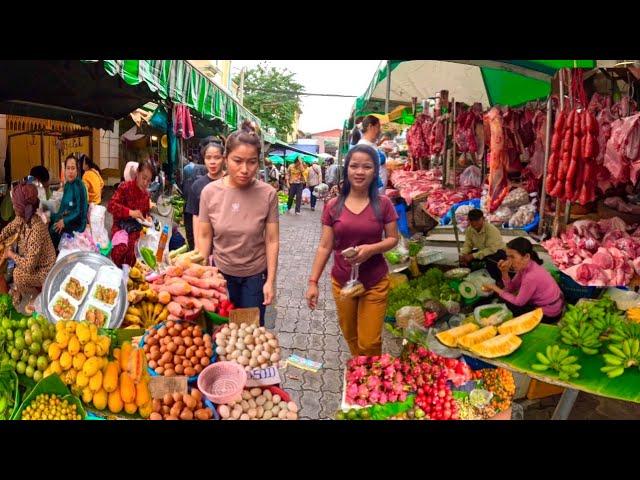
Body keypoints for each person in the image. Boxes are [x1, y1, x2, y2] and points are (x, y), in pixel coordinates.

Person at [305, 145, 399, 356]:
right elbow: (324, 246)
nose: (359, 171)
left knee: (369, 341)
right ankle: (362, 376)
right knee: (351, 335)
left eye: (366, 167)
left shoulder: (383, 204)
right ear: (346, 169)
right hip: (342, 282)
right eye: (354, 166)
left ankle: (372, 375)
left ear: (375, 171)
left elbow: (394, 238)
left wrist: (372, 249)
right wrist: (313, 282)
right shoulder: (333, 206)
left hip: (375, 281)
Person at [197, 120, 279, 326]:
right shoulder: (209, 193)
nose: (245, 169)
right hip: (221, 276)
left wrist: (270, 282)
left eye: (252, 162)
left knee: (248, 335)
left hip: (254, 278)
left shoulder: (268, 194)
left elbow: (272, 240)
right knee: (223, 332)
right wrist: (202, 274)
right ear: (226, 159)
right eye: (237, 161)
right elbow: (205, 236)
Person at [482, 237, 564, 324]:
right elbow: (511, 289)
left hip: (550, 314)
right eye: (508, 257)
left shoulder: (531, 276)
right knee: (505, 297)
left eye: (512, 257)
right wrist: (504, 272)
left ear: (526, 256)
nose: (509, 261)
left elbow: (518, 303)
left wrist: (495, 288)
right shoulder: (526, 266)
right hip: (548, 306)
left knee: (506, 302)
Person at [1, 182, 56, 307]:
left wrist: (11, 254)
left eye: (15, 204)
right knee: (16, 272)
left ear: (21, 206)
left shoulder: (36, 229)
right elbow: (10, 228)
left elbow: (29, 266)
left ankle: (36, 298)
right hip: (34, 262)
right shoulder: (23, 217)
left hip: (45, 269)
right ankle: (20, 291)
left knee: (17, 275)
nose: (13, 207)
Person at [107, 160, 154, 268]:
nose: (146, 183)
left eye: (149, 180)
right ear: (137, 173)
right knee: (121, 250)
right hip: (120, 228)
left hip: (136, 231)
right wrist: (130, 212)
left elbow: (145, 214)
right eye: (144, 177)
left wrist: (148, 219)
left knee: (135, 258)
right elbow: (111, 206)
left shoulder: (146, 195)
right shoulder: (125, 187)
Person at [186, 140, 225, 251]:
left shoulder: (231, 182)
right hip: (207, 243)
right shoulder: (197, 186)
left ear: (224, 159)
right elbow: (196, 217)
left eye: (217, 158)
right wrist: (197, 247)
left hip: (228, 245)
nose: (212, 162)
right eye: (208, 158)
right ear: (204, 159)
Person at [50, 155, 89, 249]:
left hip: (77, 223)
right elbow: (63, 207)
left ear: (77, 170)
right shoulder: (67, 185)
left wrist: (64, 221)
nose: (70, 171)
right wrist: (53, 217)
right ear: (65, 170)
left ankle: (55, 254)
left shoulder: (79, 186)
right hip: (67, 217)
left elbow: (79, 211)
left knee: (53, 231)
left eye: (73, 168)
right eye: (68, 168)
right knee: (49, 222)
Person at [459, 209, 507, 283]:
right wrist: (463, 254)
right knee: (463, 260)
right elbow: (468, 244)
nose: (474, 223)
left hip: (498, 252)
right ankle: (470, 281)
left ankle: (496, 283)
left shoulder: (491, 229)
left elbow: (491, 250)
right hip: (483, 251)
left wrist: (472, 256)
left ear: (483, 219)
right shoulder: (469, 230)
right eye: (471, 220)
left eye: (477, 220)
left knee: (490, 262)